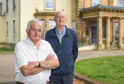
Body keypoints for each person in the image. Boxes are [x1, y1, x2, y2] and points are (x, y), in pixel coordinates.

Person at [14, 20, 59, 84]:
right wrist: (46, 65)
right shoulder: (20, 46)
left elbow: (56, 63)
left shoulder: (46, 44)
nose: (36, 33)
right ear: (27, 31)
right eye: (33, 30)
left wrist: (39, 64)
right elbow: (25, 71)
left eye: (39, 30)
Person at [45, 11, 78, 84]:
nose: (60, 19)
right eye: (58, 17)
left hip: (68, 74)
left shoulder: (72, 34)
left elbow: (75, 51)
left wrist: (70, 63)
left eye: (63, 17)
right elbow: (46, 52)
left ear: (66, 19)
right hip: (53, 74)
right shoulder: (49, 34)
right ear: (54, 19)